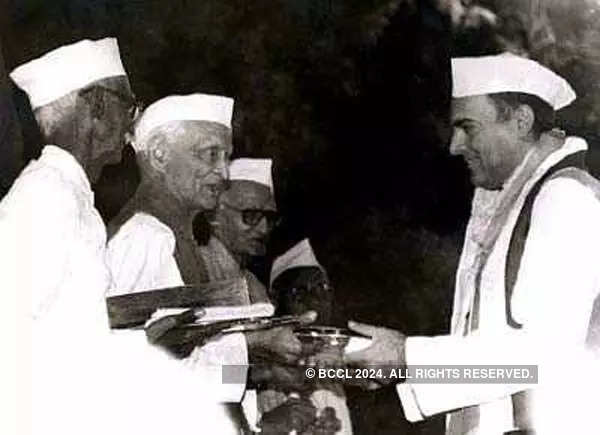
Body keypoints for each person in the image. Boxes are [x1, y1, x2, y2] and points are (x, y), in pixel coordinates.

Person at [343, 53, 600, 434]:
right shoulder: (509, 201)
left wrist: (405, 356)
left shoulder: (564, 198)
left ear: (521, 122)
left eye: (468, 128)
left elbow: (541, 353)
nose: (454, 145)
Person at [1, 37, 245, 435]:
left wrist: (148, 344)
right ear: (96, 106)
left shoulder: (74, 199)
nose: (131, 122)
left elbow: (76, 335)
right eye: (127, 105)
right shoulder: (45, 195)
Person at [106, 95, 314, 431]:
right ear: (160, 153)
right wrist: (254, 344)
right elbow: (129, 375)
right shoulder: (144, 236)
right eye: (210, 154)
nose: (224, 173)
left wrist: (261, 365)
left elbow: (192, 367)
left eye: (227, 157)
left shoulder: (175, 238)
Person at [262, 238, 352, 434]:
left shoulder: (329, 367)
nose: (315, 301)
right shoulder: (255, 360)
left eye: (322, 290)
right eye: (299, 293)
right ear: (276, 300)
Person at [197, 157, 278, 303]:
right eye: (251, 215)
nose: (264, 229)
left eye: (270, 218)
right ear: (213, 215)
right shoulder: (195, 267)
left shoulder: (254, 285)